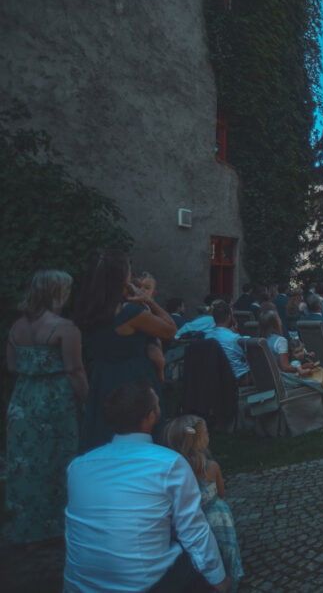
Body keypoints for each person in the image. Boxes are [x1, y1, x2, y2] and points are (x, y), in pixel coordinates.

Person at [64, 380, 230, 593]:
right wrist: (217, 578)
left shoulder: (78, 467)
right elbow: (193, 529)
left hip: (80, 584)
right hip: (145, 583)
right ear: (150, 416)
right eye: (158, 404)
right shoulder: (169, 463)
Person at [5, 270, 88, 545]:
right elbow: (74, 369)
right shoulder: (65, 328)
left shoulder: (16, 327)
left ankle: (26, 524)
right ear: (57, 293)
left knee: (24, 463)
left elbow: (12, 367)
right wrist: (86, 398)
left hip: (23, 400)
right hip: (55, 401)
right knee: (58, 461)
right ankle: (55, 525)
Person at [73, 250, 177, 451]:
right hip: (133, 376)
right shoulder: (129, 313)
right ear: (121, 277)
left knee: (104, 434)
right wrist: (148, 300)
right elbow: (170, 329)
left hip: (103, 376)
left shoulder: (91, 309)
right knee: (138, 433)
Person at [165, 415, 244, 593]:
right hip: (219, 517)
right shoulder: (212, 467)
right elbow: (221, 494)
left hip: (196, 521)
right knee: (227, 549)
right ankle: (231, 582)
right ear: (200, 439)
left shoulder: (178, 473)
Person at [206, 300, 249, 381]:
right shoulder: (234, 338)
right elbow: (246, 355)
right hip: (237, 378)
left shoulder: (207, 336)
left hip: (216, 378)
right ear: (229, 317)